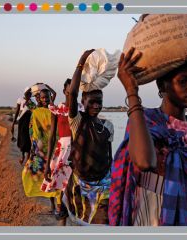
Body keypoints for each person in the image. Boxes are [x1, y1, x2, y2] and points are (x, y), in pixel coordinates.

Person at [109, 47, 187, 226]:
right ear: (162, 86)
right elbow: (145, 162)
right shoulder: (145, 120)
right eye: (183, 81)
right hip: (148, 209)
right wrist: (131, 91)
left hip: (186, 213)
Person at [64, 49, 114, 225]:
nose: (96, 105)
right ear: (82, 103)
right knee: (82, 221)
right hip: (82, 183)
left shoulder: (108, 126)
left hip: (105, 182)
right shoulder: (77, 122)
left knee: (103, 220)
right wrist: (81, 61)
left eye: (99, 102)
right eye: (91, 101)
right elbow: (72, 93)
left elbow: (109, 153)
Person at [42, 79, 81, 224]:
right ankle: (62, 224)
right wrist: (47, 164)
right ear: (65, 91)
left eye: (75, 91)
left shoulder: (81, 108)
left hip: (77, 150)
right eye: (70, 90)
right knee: (62, 188)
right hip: (62, 150)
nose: (72, 93)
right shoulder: (57, 109)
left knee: (75, 188)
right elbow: (52, 137)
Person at [22, 88, 60, 214]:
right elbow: (28, 102)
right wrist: (27, 96)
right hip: (40, 150)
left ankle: (56, 207)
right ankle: (53, 206)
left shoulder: (54, 110)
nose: (44, 99)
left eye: (46, 97)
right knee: (29, 173)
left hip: (52, 148)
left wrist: (48, 87)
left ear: (50, 97)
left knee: (52, 177)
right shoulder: (36, 111)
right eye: (42, 97)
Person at [11, 87, 36, 165]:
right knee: (22, 139)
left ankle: (27, 159)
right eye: (27, 92)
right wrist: (13, 122)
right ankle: (22, 156)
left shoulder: (32, 102)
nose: (29, 93)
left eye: (30, 92)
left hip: (29, 122)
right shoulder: (20, 100)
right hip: (22, 122)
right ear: (25, 93)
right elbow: (17, 110)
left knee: (28, 140)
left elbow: (34, 113)